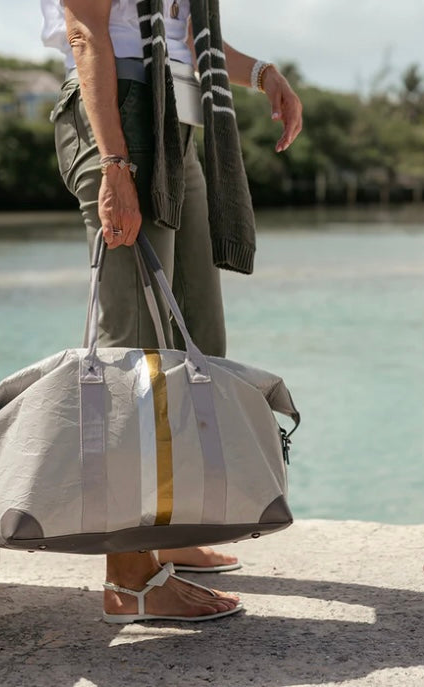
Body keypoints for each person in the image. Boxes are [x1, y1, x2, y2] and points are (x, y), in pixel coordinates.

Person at [41, 0, 302, 621]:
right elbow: (87, 32)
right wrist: (113, 163)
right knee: (133, 351)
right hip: (121, 116)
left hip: (177, 117)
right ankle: (129, 576)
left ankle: (171, 525)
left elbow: (188, 37)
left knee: (196, 343)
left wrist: (264, 72)